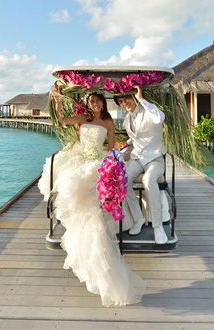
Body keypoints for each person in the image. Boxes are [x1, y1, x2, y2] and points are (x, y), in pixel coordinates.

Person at [38, 87, 145, 307]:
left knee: (94, 184)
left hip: (98, 157)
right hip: (79, 154)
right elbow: (61, 119)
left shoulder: (108, 122)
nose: (95, 104)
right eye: (92, 101)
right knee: (68, 178)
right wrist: (58, 103)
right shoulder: (82, 117)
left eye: (98, 101)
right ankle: (75, 217)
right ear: (88, 104)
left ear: (103, 103)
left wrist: (116, 156)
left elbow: (110, 145)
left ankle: (93, 225)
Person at [114, 85, 168, 244]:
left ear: (134, 96)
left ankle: (158, 227)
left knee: (148, 180)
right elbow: (137, 137)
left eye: (126, 99)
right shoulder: (127, 118)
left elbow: (160, 118)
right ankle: (138, 218)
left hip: (155, 159)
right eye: (121, 102)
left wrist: (141, 99)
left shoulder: (149, 111)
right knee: (123, 180)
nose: (124, 103)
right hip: (137, 158)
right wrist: (127, 142)